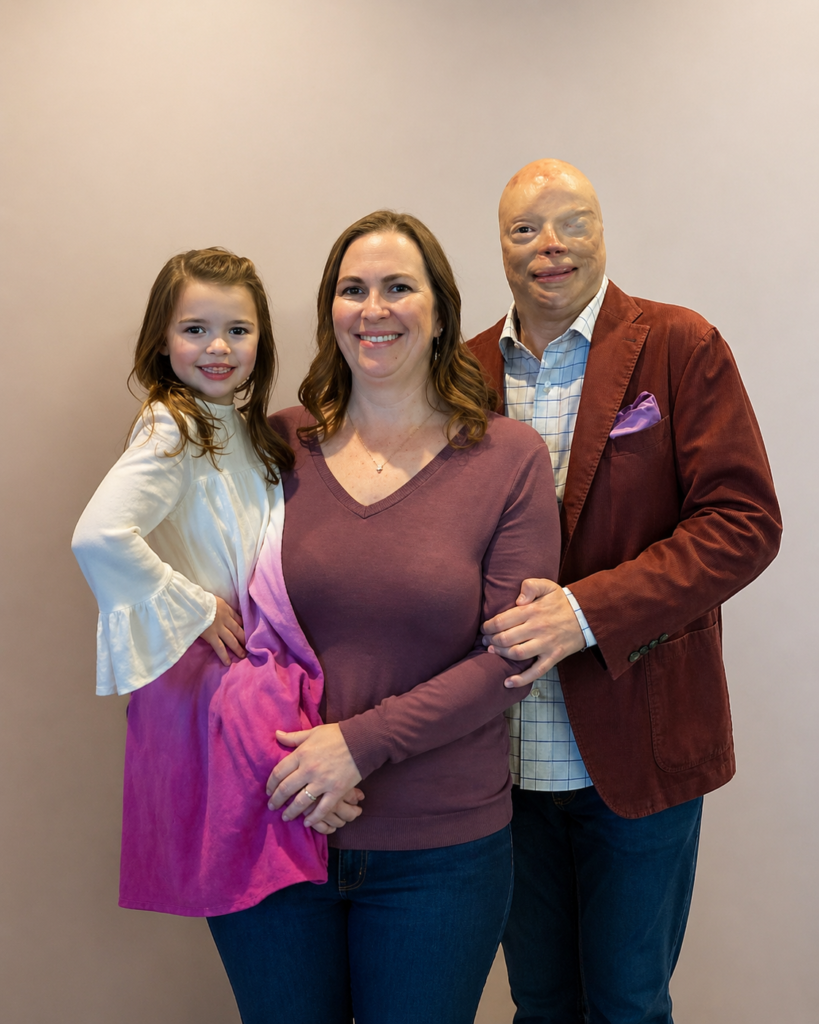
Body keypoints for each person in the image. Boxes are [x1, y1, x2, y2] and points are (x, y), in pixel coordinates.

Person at [204, 211, 561, 1024]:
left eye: (399, 288)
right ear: (330, 311)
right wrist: (286, 767)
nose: (375, 308)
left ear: (439, 312)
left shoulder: (508, 460)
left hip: (442, 856)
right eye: (352, 289)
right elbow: (218, 638)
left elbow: (511, 657)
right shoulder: (269, 448)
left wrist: (355, 748)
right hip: (275, 827)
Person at [469, 160, 782, 1023]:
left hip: (641, 747)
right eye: (524, 229)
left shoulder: (680, 345)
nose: (550, 247)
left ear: (602, 232)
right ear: (498, 247)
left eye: (571, 222)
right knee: (537, 1003)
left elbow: (742, 523)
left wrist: (583, 613)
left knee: (627, 1005)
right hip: (497, 761)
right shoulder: (458, 374)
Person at [72, 247, 361, 919]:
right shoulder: (174, 425)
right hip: (216, 673)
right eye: (195, 329)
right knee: (256, 851)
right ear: (162, 340)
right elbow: (98, 535)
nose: (218, 347)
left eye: (238, 329)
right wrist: (196, 606)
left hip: (245, 667)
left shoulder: (234, 423)